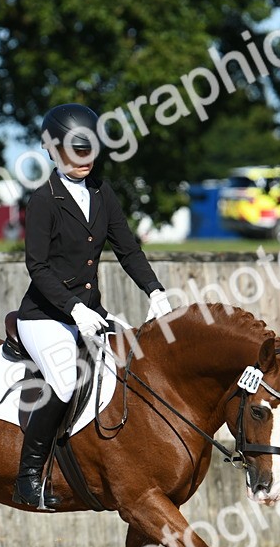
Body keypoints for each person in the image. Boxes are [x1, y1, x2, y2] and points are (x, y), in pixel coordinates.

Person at [12, 102, 173, 509]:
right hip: (45, 315)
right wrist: (73, 307)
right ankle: (29, 476)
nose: (82, 161)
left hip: (90, 313)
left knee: (136, 363)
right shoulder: (44, 199)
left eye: (88, 151)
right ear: (52, 151)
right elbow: (38, 266)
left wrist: (155, 291)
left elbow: (128, 249)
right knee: (66, 382)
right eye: (72, 152)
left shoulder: (102, 192)